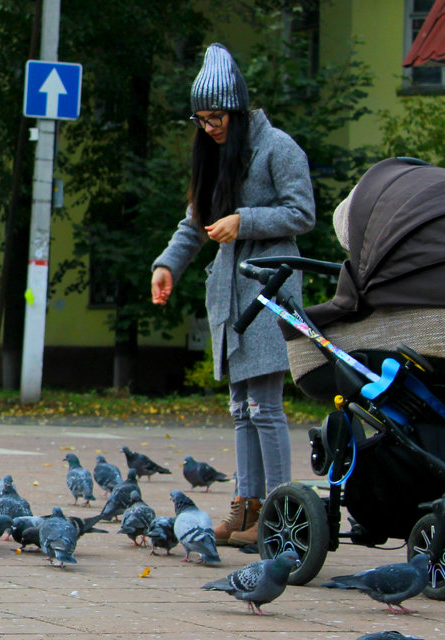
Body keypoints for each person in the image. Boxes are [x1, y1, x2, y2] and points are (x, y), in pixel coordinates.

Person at [150, 44, 315, 547]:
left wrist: (247, 221)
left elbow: (302, 213)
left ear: (238, 109)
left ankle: (285, 514)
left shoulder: (278, 148)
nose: (209, 127)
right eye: (200, 120)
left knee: (264, 406)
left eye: (216, 116)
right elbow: (194, 223)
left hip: (269, 291)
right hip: (229, 294)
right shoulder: (214, 153)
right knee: (241, 408)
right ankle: (248, 510)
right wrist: (166, 264)